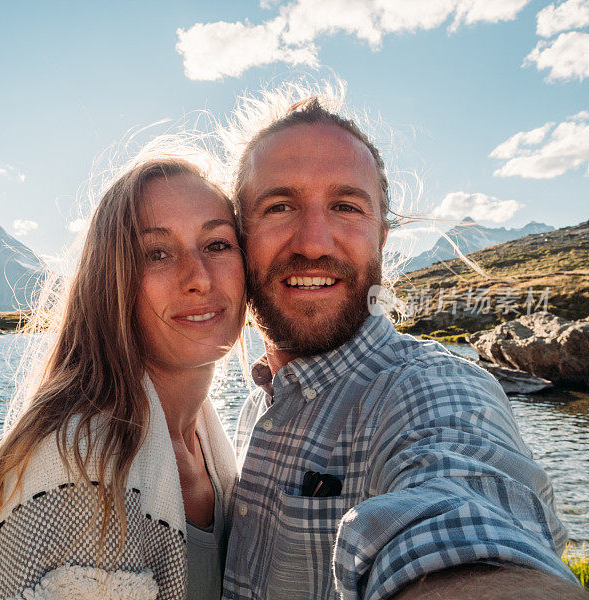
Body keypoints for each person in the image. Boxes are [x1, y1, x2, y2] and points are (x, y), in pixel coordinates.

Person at [221, 89, 584, 600]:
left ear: (382, 239)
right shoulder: (256, 404)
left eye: (346, 207)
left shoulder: (430, 386)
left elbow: (464, 499)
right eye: (279, 206)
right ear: (239, 234)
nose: (314, 242)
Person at [0, 155, 245, 600]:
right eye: (157, 253)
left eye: (218, 244)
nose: (199, 279)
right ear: (112, 284)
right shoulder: (80, 464)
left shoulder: (209, 442)